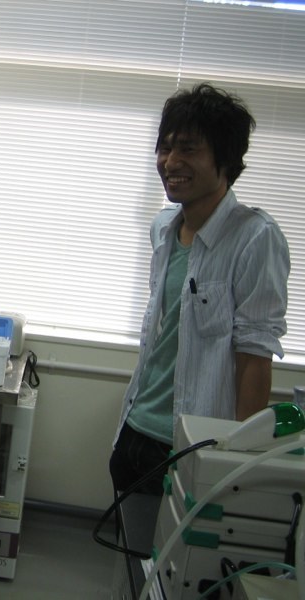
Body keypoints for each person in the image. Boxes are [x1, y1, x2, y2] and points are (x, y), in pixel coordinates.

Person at [109, 83, 290, 496]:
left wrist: (236, 463)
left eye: (188, 149)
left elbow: (255, 357)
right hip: (135, 431)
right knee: (130, 539)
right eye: (165, 148)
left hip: (194, 446)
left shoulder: (254, 237)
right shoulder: (163, 228)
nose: (171, 161)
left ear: (224, 160)